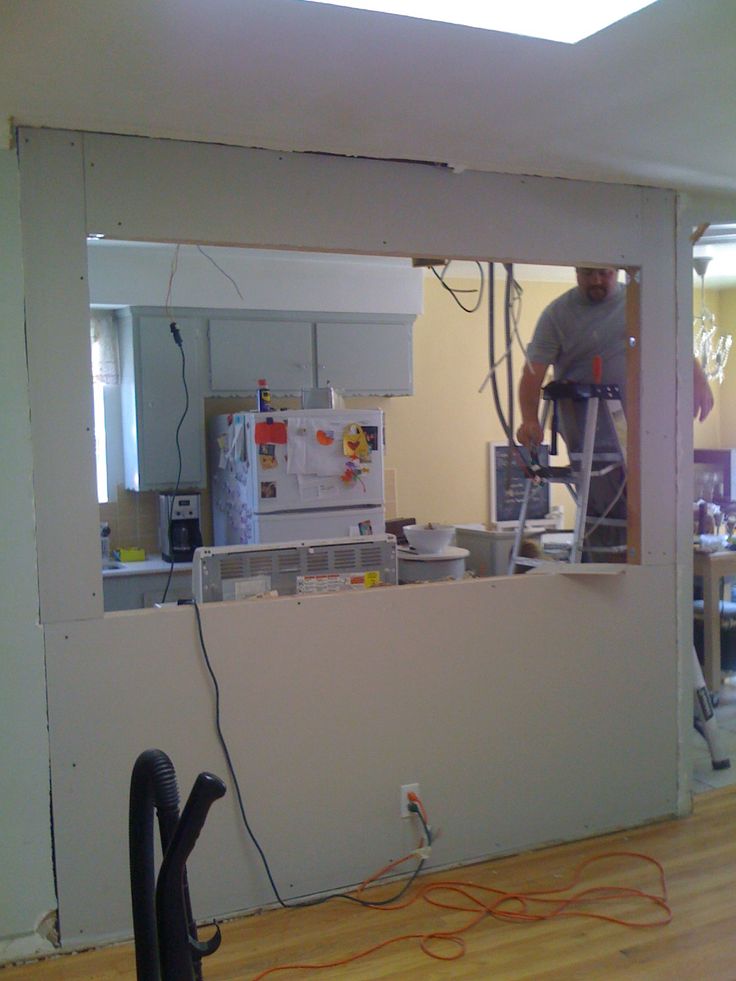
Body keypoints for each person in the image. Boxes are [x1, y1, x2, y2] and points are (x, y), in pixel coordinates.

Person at [516, 266, 714, 558]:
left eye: (603, 273)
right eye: (587, 274)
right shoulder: (557, 315)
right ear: (576, 272)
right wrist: (529, 419)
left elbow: (675, 341)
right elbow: (532, 374)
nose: (596, 280)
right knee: (605, 502)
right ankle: (607, 564)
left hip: (639, 421)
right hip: (587, 425)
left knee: (649, 498)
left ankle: (646, 564)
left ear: (616, 271)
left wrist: (698, 379)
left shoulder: (638, 304)